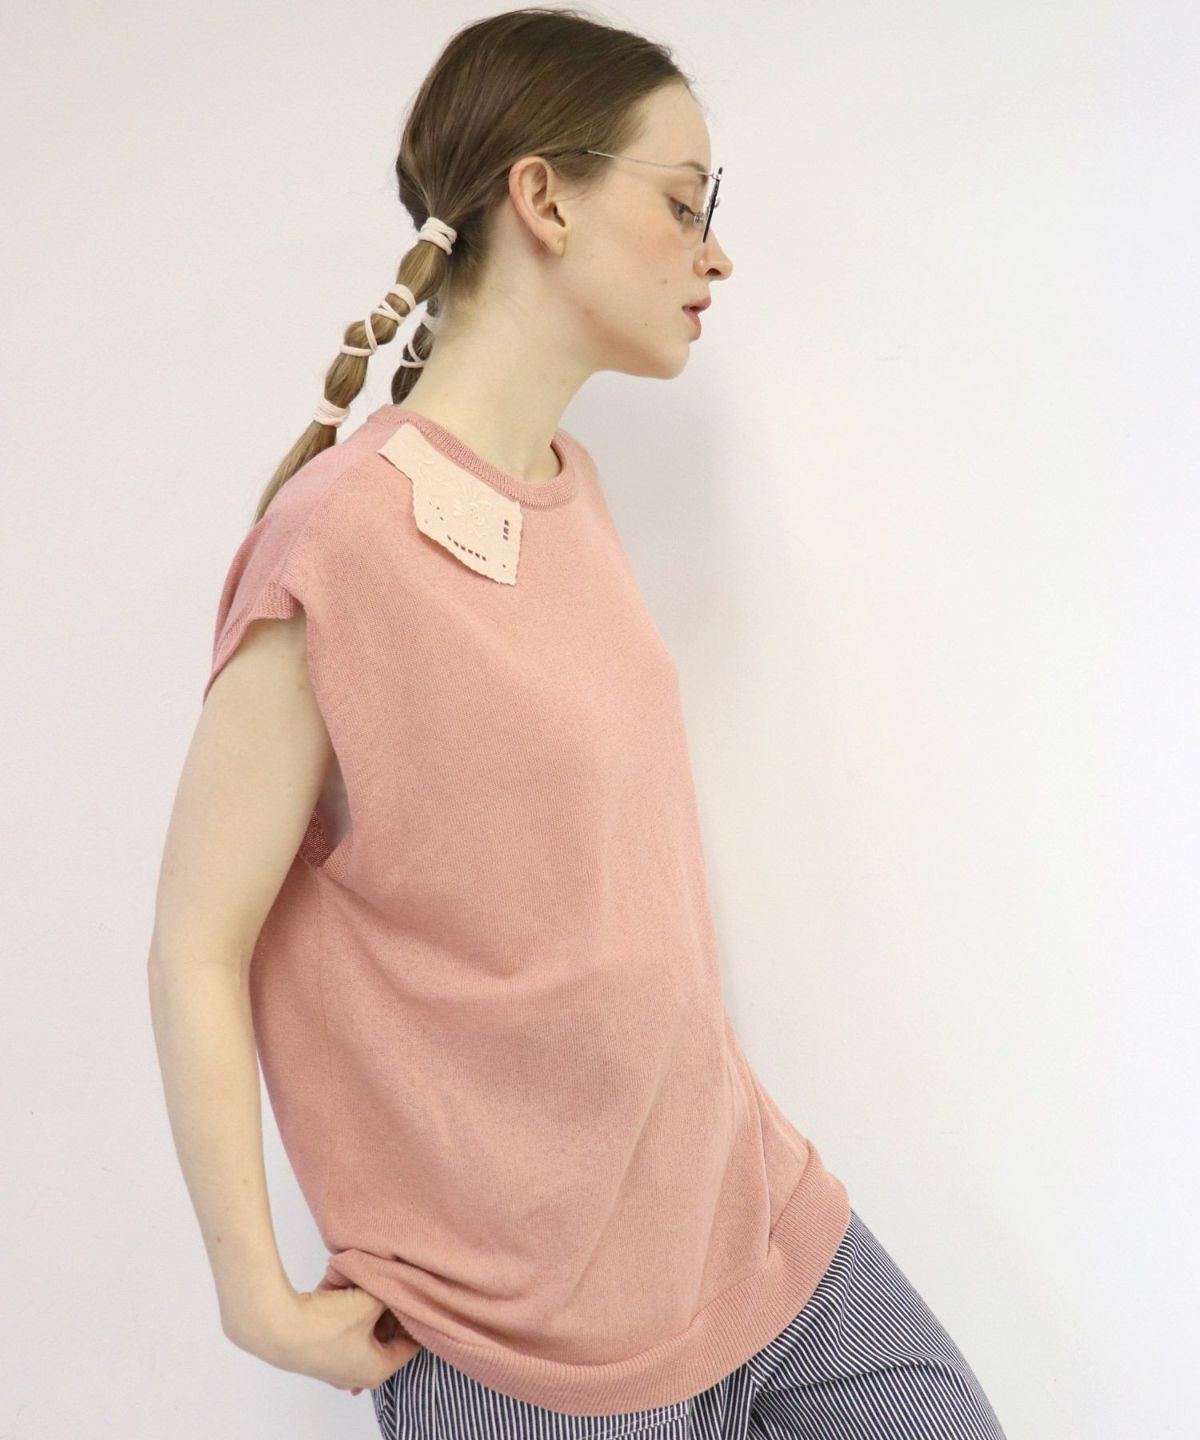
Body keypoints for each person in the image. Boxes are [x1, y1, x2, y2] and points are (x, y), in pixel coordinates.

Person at [147, 7, 1008, 1438]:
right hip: (522, 1340)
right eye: (685, 204)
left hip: (747, 1225)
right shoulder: (335, 542)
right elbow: (196, 939)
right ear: (543, 198)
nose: (716, 255)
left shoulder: (569, 484)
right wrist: (256, 1293)